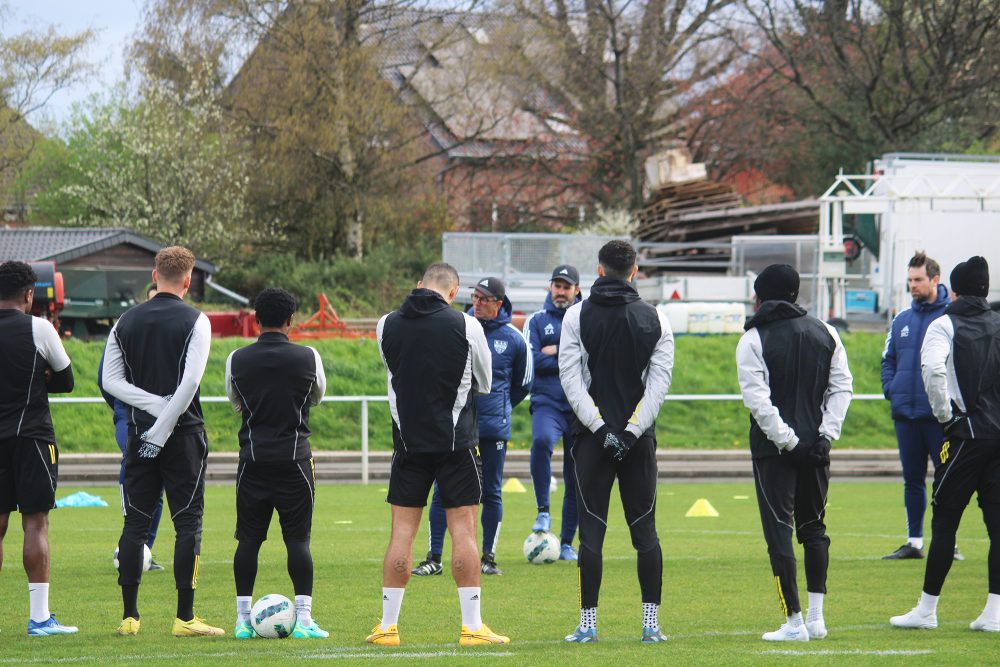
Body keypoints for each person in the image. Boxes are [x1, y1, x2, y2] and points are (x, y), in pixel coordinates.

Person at [368, 262, 509, 646]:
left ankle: (387, 626)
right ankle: (472, 627)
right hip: (457, 444)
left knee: (402, 533)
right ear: (452, 293)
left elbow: (394, 370)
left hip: (408, 444)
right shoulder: (467, 325)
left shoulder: (386, 324)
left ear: (419, 286)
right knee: (463, 530)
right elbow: (485, 382)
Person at [102, 246, 222, 637]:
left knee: (135, 522)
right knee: (188, 523)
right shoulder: (197, 320)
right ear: (188, 280)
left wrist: (151, 419)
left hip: (138, 435)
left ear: (155, 274)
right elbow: (189, 384)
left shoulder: (125, 321)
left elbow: (111, 382)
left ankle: (130, 617)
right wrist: (164, 419)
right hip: (184, 437)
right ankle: (185, 617)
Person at [559, 240, 674, 643]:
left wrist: (603, 431)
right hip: (637, 441)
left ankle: (588, 626)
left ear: (599, 269)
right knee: (645, 531)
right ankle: (651, 625)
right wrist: (629, 432)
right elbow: (658, 388)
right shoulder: (657, 318)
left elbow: (570, 382)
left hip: (592, 441)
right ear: (635, 270)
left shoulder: (575, 316)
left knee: (590, 532)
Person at [736, 264, 853, 642]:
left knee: (779, 533)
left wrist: (790, 442)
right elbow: (842, 388)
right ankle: (817, 619)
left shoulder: (753, 339)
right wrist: (825, 435)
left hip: (775, 451)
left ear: (760, 296)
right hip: (816, 447)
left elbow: (759, 401)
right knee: (815, 528)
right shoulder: (827, 331)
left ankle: (794, 622)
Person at [891, 256, 1000, 633]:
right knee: (997, 525)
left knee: (945, 520)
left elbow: (934, 370)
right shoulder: (998, 321)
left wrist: (945, 416)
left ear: (952, 288)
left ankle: (927, 608)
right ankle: (994, 612)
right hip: (998, 436)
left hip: (966, 436)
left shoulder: (944, 324)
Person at [225, 288, 328, 639]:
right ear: (290, 320)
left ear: (256, 319)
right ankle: (305, 620)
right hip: (295, 461)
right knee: (298, 541)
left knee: (248, 541)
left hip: (252, 462)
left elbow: (235, 402)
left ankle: (242, 620)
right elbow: (317, 395)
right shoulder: (308, 356)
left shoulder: (237, 358)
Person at [413, 277, 532, 576]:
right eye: (475, 297)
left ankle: (488, 557)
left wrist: (498, 409)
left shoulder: (515, 339)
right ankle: (434, 557)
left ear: (499, 304)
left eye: (484, 299)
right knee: (442, 490)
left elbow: (523, 384)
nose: (477, 303)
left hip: (492, 431)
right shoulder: (458, 327)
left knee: (491, 491)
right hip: (455, 426)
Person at [0, 261, 78, 636]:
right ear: (29, 295)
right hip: (31, 437)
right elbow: (66, 380)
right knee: (35, 521)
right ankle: (39, 618)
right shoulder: (39, 327)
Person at [881, 252, 963, 561]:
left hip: (939, 418)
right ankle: (914, 542)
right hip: (906, 416)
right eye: (910, 280)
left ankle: (948, 543)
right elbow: (887, 360)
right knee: (912, 481)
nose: (912, 285)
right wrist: (892, 390)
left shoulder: (951, 318)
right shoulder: (901, 319)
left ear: (935, 280)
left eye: (918, 280)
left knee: (947, 481)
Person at [98, 283, 165, 572]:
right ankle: (131, 543)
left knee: (158, 482)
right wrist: (122, 409)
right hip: (130, 417)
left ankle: (143, 549)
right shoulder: (126, 331)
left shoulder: (172, 335)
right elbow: (106, 379)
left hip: (164, 416)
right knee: (136, 465)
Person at [522, 265, 582, 560]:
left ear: (577, 290)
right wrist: (568, 355)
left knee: (576, 473)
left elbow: (589, 359)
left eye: (566, 286)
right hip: (547, 401)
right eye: (556, 286)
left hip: (580, 405)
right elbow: (532, 362)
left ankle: (568, 542)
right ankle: (543, 511)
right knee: (542, 441)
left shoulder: (586, 318)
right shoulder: (536, 320)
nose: (560, 291)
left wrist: (554, 351)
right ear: (550, 288)